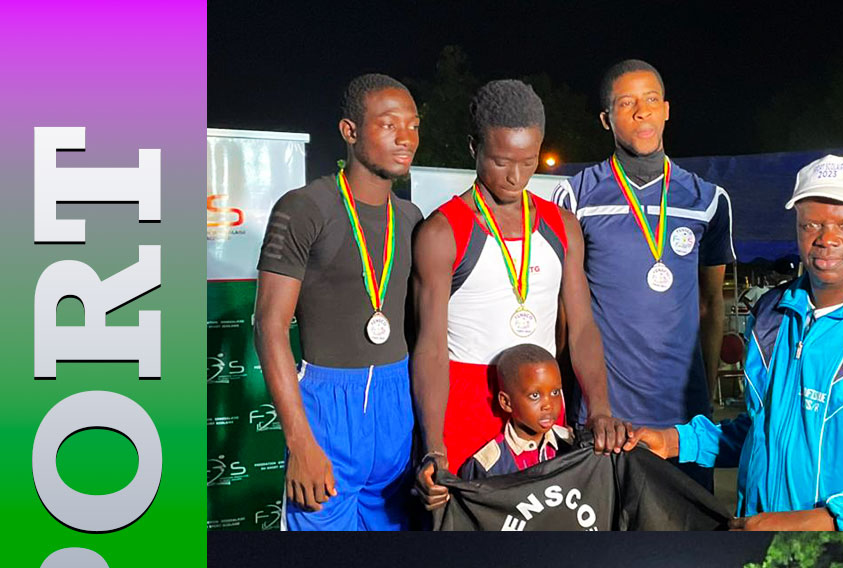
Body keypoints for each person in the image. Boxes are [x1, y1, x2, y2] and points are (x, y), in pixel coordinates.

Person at [636, 154, 843, 531]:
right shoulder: (770, 314)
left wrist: (813, 522)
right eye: (812, 224)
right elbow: (765, 430)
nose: (827, 239)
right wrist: (674, 442)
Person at [413, 79, 632, 506]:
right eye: (500, 161)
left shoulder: (562, 226)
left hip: (544, 413)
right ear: (473, 147)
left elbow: (584, 326)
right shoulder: (441, 232)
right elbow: (431, 347)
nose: (515, 177)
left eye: (529, 161)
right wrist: (433, 445)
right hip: (468, 414)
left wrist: (600, 408)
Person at [554, 60, 733, 491]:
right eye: (627, 103)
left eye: (652, 100)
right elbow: (565, 313)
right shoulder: (576, 195)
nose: (641, 112)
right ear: (606, 119)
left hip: (681, 425)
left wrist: (702, 398)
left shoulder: (708, 200)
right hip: (602, 421)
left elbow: (711, 304)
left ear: (667, 109)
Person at [256, 74, 422, 530]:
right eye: (389, 124)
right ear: (350, 131)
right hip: (329, 411)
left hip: (396, 405)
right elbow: (269, 328)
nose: (406, 137)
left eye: (413, 125)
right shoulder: (304, 207)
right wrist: (301, 442)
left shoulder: (411, 217)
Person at [455, 345, 572, 479]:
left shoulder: (571, 445)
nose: (548, 405)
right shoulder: (488, 466)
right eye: (535, 395)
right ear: (506, 402)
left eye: (555, 392)